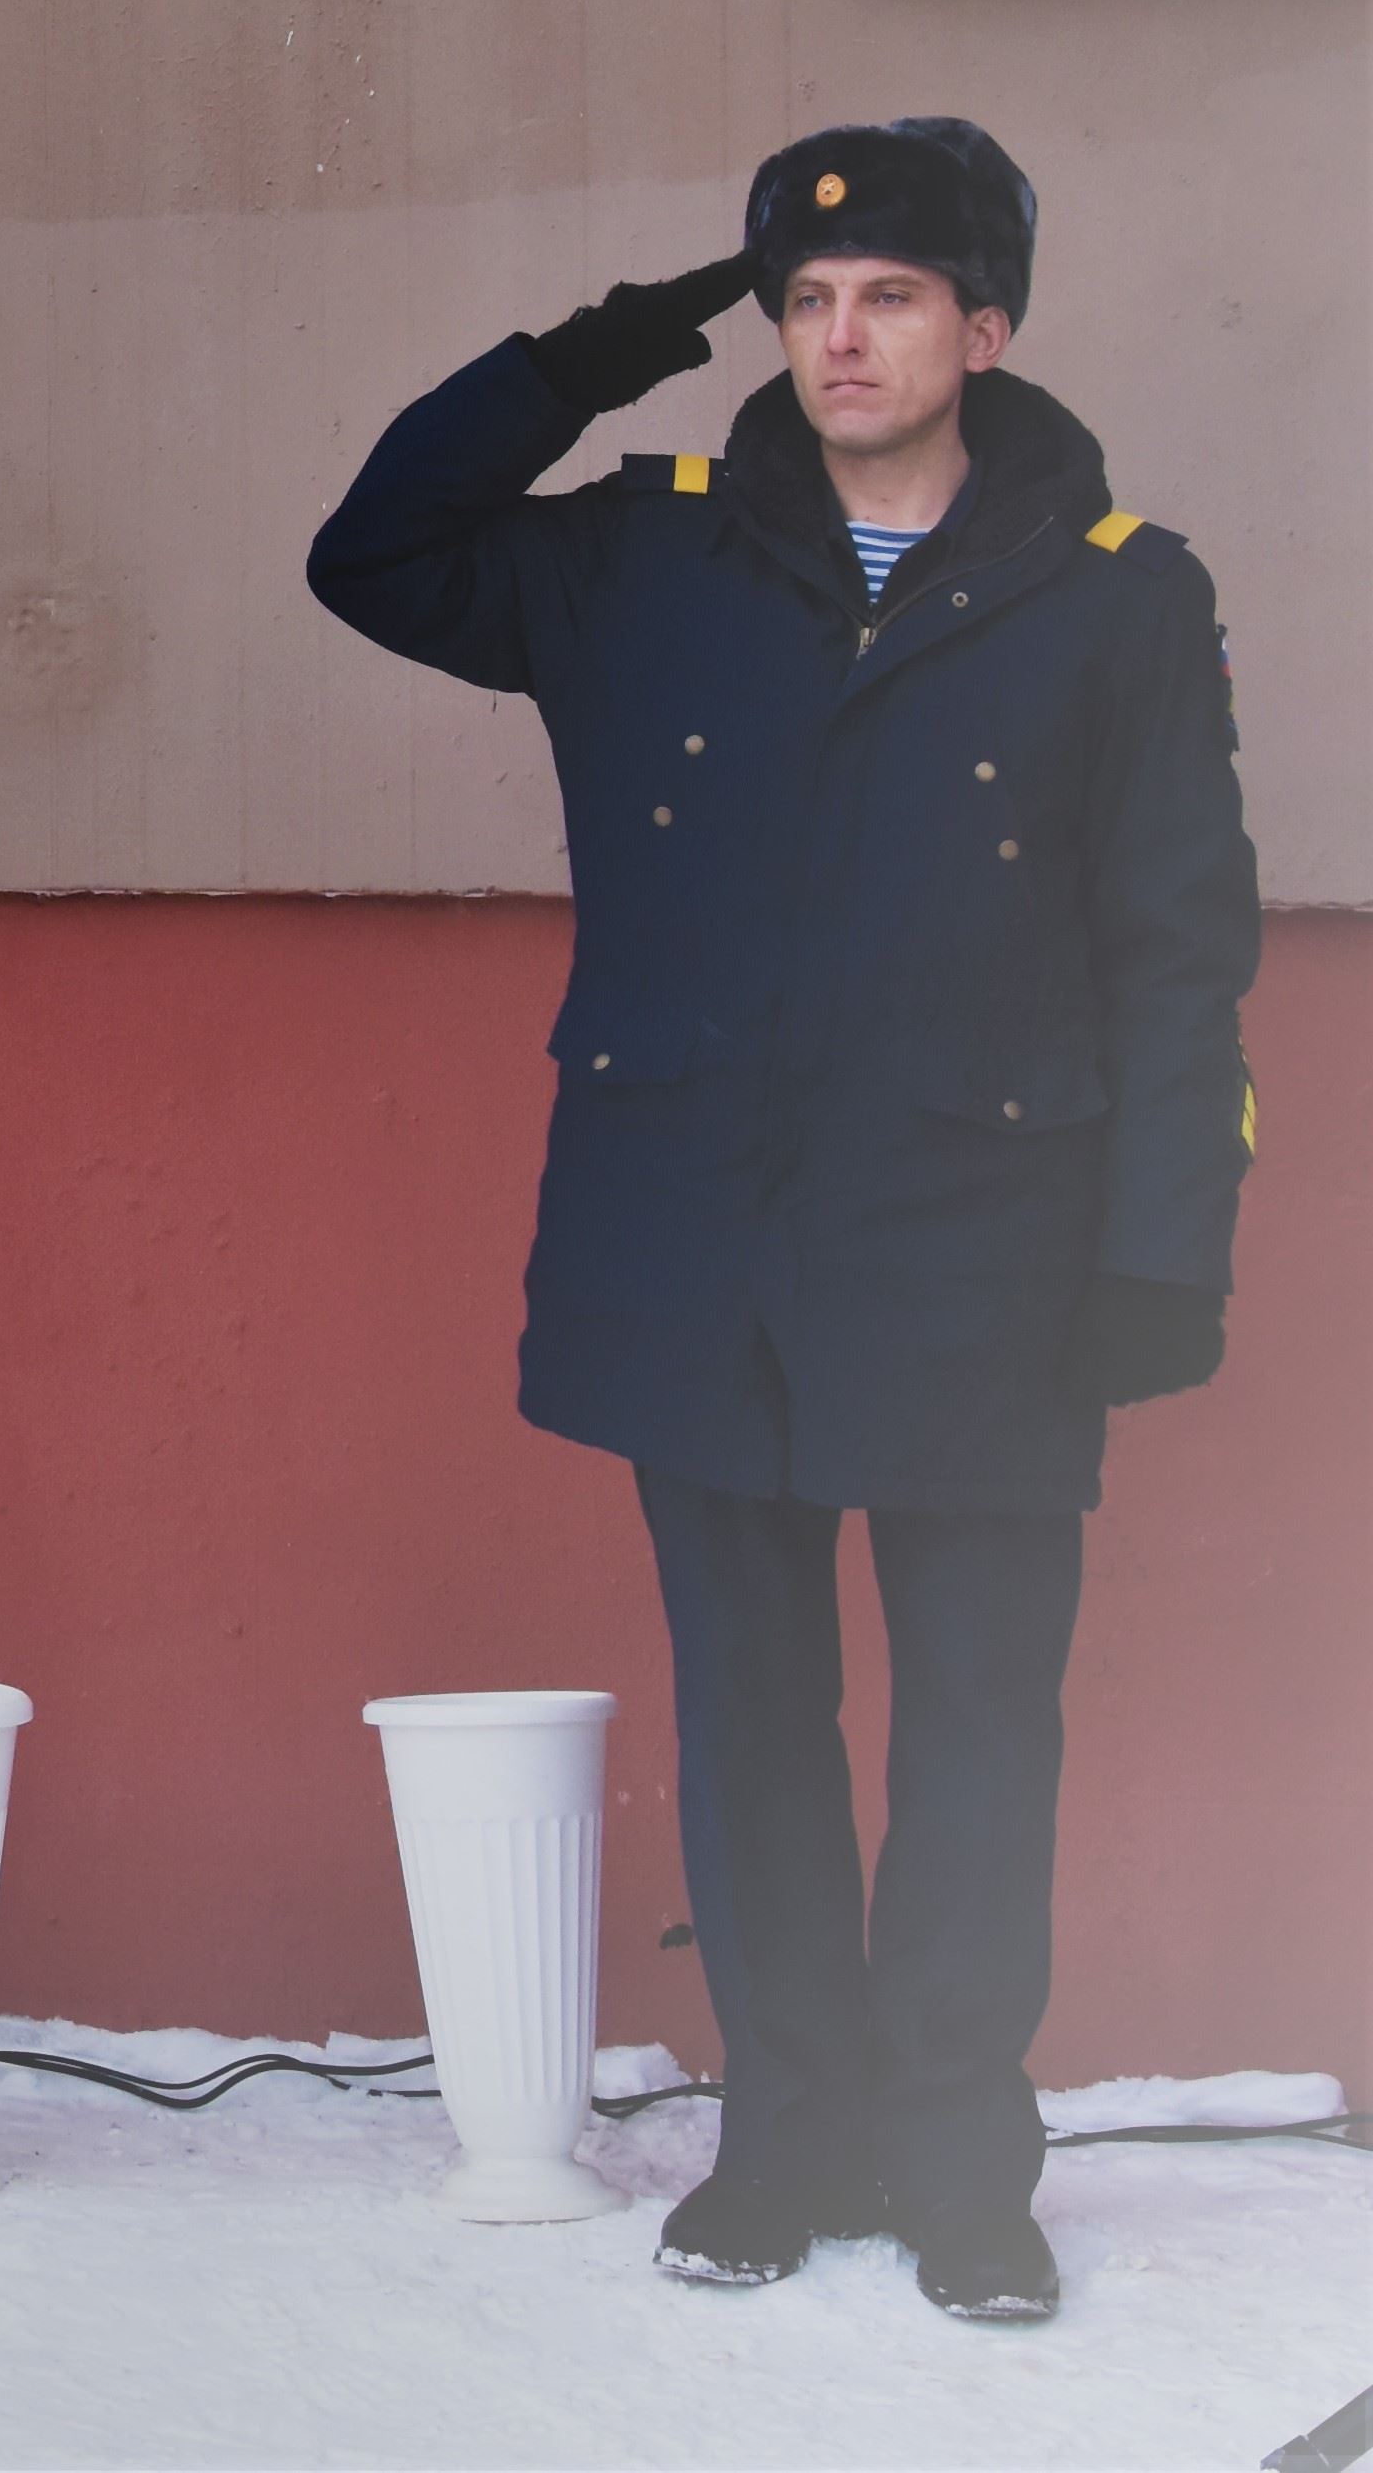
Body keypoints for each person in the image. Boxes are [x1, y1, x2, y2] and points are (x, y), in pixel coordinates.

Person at [307, 119, 1258, 2329]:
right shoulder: (639, 556)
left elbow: (1176, 946)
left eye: (891, 297)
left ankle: (955, 2154)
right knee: (747, 1712)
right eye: (800, 300)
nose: (837, 335)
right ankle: (784, 2131)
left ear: (981, 329)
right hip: (701, 1235)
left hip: (985, 1249)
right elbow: (370, 550)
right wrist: (603, 349)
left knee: (970, 1723)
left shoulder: (1115, 589)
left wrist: (1156, 1247)